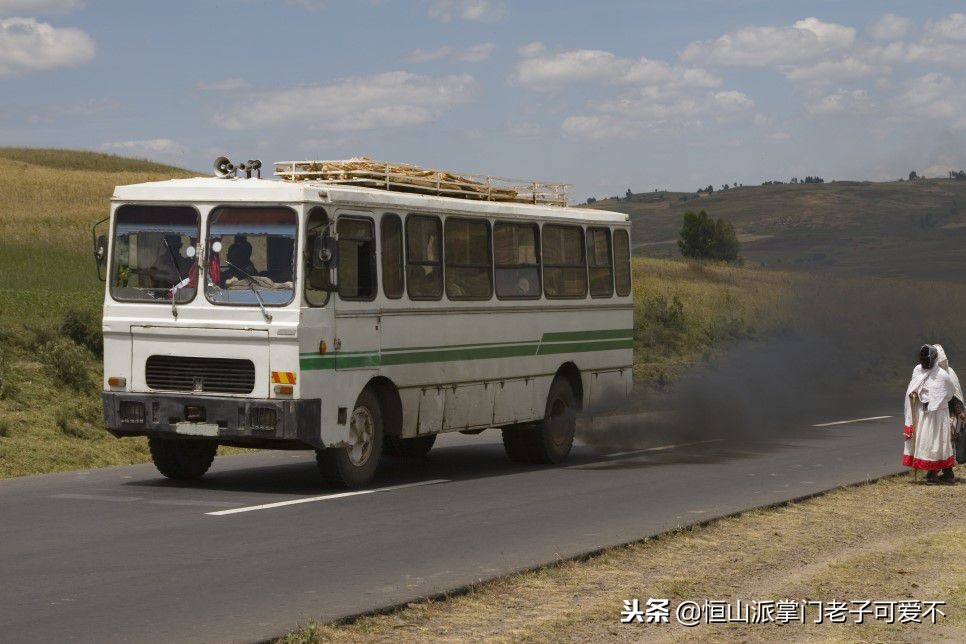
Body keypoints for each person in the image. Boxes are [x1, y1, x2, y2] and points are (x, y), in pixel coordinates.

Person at [903, 344, 964, 484]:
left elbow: (953, 394)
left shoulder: (946, 374)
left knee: (941, 443)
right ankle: (937, 473)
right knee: (930, 442)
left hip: (944, 415)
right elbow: (913, 387)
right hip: (924, 413)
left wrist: (959, 411)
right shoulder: (919, 371)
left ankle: (940, 474)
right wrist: (915, 395)